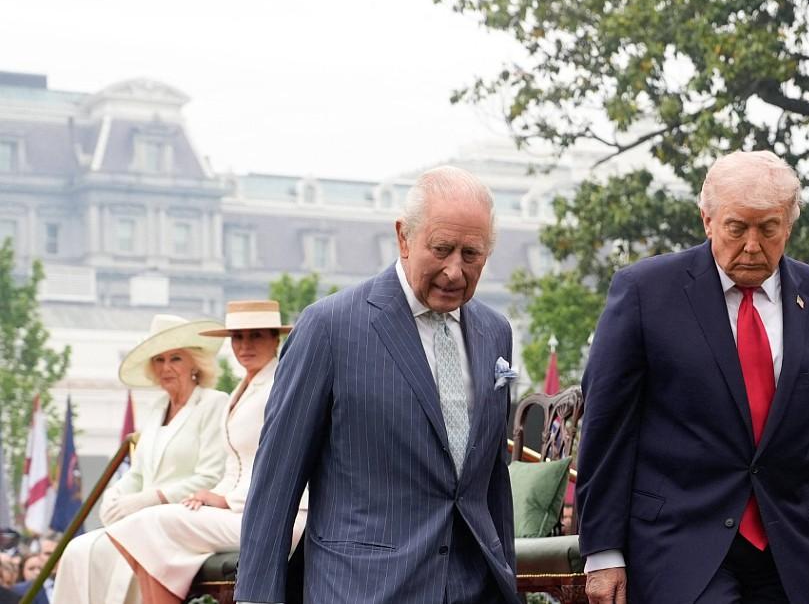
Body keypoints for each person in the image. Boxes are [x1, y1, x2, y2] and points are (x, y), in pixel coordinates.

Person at [576, 150, 809, 603]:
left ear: (788, 226)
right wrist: (602, 551)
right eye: (737, 228)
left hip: (789, 556)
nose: (753, 245)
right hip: (677, 549)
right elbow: (607, 429)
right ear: (707, 220)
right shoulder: (644, 292)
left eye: (768, 228)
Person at [234, 166, 519, 604]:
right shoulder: (329, 328)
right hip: (360, 589)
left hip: (474, 588)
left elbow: (493, 483)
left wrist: (506, 579)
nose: (455, 271)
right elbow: (275, 485)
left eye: (471, 254)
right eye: (441, 249)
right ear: (403, 237)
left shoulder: (495, 332)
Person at [104, 301, 304, 604]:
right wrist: (210, 495)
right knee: (143, 533)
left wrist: (224, 499)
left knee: (146, 525)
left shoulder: (280, 385)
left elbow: (284, 462)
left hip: (274, 517)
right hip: (241, 510)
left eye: (256, 336)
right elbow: (235, 466)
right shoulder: (242, 389)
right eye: (238, 337)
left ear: (275, 339)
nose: (245, 345)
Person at [53, 315, 229, 604]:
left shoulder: (214, 403)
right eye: (159, 360)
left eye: (175, 358)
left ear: (195, 363)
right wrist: (117, 495)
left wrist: (153, 498)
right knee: (77, 550)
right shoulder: (156, 408)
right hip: (140, 519)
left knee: (111, 553)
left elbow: (210, 476)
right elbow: (137, 473)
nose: (166, 367)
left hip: (182, 520)